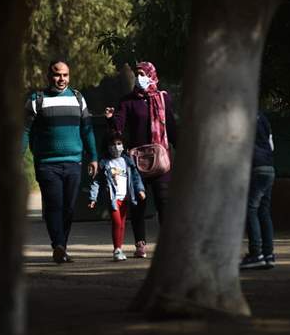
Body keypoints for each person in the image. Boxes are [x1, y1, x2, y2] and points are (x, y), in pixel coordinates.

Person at [22, 60, 98, 264]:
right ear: (49, 76)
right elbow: (25, 131)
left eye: (65, 75)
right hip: (47, 164)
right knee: (54, 206)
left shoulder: (78, 98)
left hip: (74, 163)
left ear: (69, 76)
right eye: (57, 74)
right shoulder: (37, 100)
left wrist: (93, 157)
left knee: (69, 208)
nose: (61, 79)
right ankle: (58, 245)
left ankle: (61, 246)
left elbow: (87, 129)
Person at [105, 61, 177, 258]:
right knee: (138, 202)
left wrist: (181, 147)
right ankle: (140, 244)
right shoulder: (127, 101)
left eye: (143, 74)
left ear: (152, 75)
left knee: (164, 201)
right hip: (138, 161)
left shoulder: (163, 98)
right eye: (137, 74)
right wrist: (111, 119)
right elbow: (119, 127)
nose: (139, 77)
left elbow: (171, 125)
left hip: (161, 159)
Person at [88, 132, 146, 261]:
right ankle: (117, 250)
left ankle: (119, 247)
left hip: (125, 198)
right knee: (117, 222)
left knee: (122, 224)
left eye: (119, 143)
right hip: (113, 199)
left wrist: (140, 190)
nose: (116, 147)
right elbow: (96, 181)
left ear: (123, 145)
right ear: (107, 146)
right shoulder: (104, 163)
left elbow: (136, 177)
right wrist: (93, 198)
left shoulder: (127, 161)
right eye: (113, 144)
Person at [240, 112, 276, 269]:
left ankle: (256, 253)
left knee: (251, 209)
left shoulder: (241, 115)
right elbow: (271, 146)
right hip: (269, 167)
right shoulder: (263, 117)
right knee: (264, 211)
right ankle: (268, 254)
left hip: (255, 167)